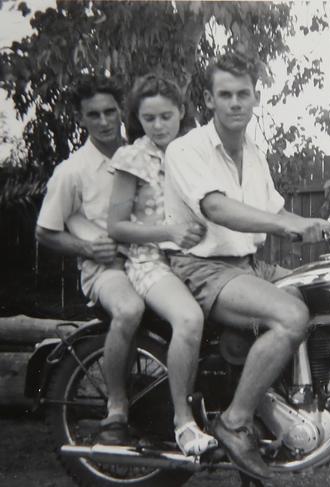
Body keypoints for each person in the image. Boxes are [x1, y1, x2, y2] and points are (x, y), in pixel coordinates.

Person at [163, 53, 330, 480]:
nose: (236, 102)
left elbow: (279, 212)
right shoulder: (186, 149)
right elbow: (217, 209)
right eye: (226, 94)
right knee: (290, 314)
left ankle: (294, 409)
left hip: (247, 265)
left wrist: (326, 226)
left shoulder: (254, 155)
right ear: (209, 99)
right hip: (203, 269)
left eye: (244, 94)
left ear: (255, 98)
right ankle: (235, 421)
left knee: (328, 289)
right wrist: (283, 225)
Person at [106, 73, 217, 456]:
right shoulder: (132, 157)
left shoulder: (193, 152)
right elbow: (116, 226)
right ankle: (183, 422)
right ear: (138, 118)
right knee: (189, 320)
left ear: (181, 112)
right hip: (150, 260)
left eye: (166, 116)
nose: (158, 126)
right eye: (149, 118)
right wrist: (168, 233)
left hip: (196, 259)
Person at [35, 75, 144, 445]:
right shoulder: (72, 171)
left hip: (149, 264)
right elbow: (45, 231)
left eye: (110, 112)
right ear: (82, 119)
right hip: (106, 269)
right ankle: (116, 407)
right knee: (128, 310)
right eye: (93, 114)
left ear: (121, 111)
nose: (103, 121)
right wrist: (86, 249)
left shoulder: (142, 156)